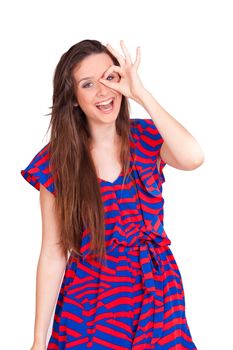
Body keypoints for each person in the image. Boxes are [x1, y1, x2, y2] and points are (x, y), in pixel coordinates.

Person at [21, 39, 203, 350]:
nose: (104, 92)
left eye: (110, 78)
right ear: (74, 98)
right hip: (91, 303)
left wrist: (142, 94)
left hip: (157, 295)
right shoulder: (56, 162)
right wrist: (38, 340)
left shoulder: (146, 138)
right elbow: (52, 253)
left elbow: (193, 157)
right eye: (88, 84)